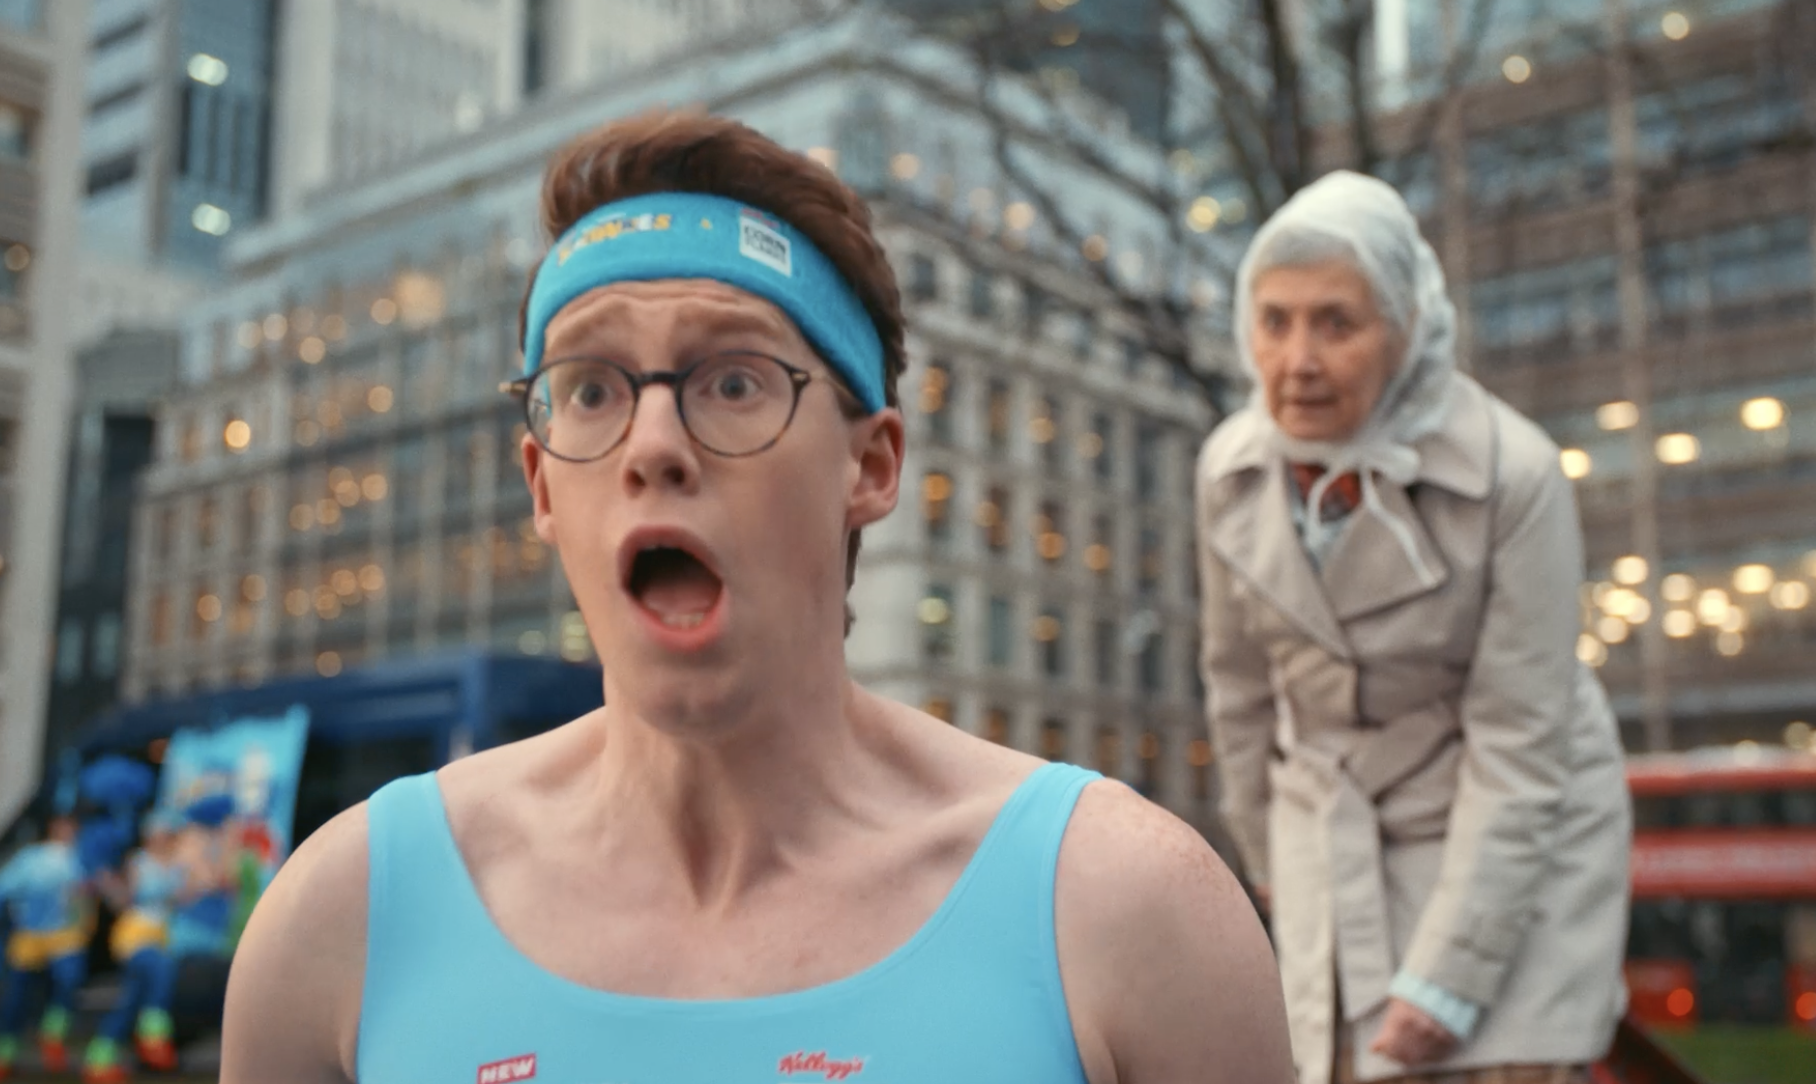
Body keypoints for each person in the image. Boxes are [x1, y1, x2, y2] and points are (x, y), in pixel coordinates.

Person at [219, 110, 1290, 1084]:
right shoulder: (344, 921)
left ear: (870, 465)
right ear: (542, 485)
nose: (652, 444)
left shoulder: (1126, 912)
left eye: (733, 381)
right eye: (590, 389)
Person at [1196, 171, 1632, 1084]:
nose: (1297, 361)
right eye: (1274, 321)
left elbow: (1520, 743)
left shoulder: (1516, 474)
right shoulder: (1229, 470)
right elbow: (1237, 694)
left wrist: (1451, 974)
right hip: (1333, 833)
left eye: (1336, 323)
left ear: (1406, 330)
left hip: (1513, 846)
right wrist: (1274, 864)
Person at [84, 810, 190, 1083]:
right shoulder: (138, 862)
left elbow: (187, 894)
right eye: (162, 834)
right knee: (162, 969)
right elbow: (124, 898)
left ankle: (99, 1059)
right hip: (135, 934)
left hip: (159, 936)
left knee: (131, 1001)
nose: (164, 839)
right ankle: (153, 1036)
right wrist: (106, 883)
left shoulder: (177, 864)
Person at [0, 815, 94, 1078]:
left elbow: (84, 896)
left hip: (64, 935)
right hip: (30, 935)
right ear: (53, 828)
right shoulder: (32, 857)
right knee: (18, 996)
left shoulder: (79, 857)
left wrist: (82, 923)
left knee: (69, 982)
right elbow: (5, 889)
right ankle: (5, 1051)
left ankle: (52, 1035)